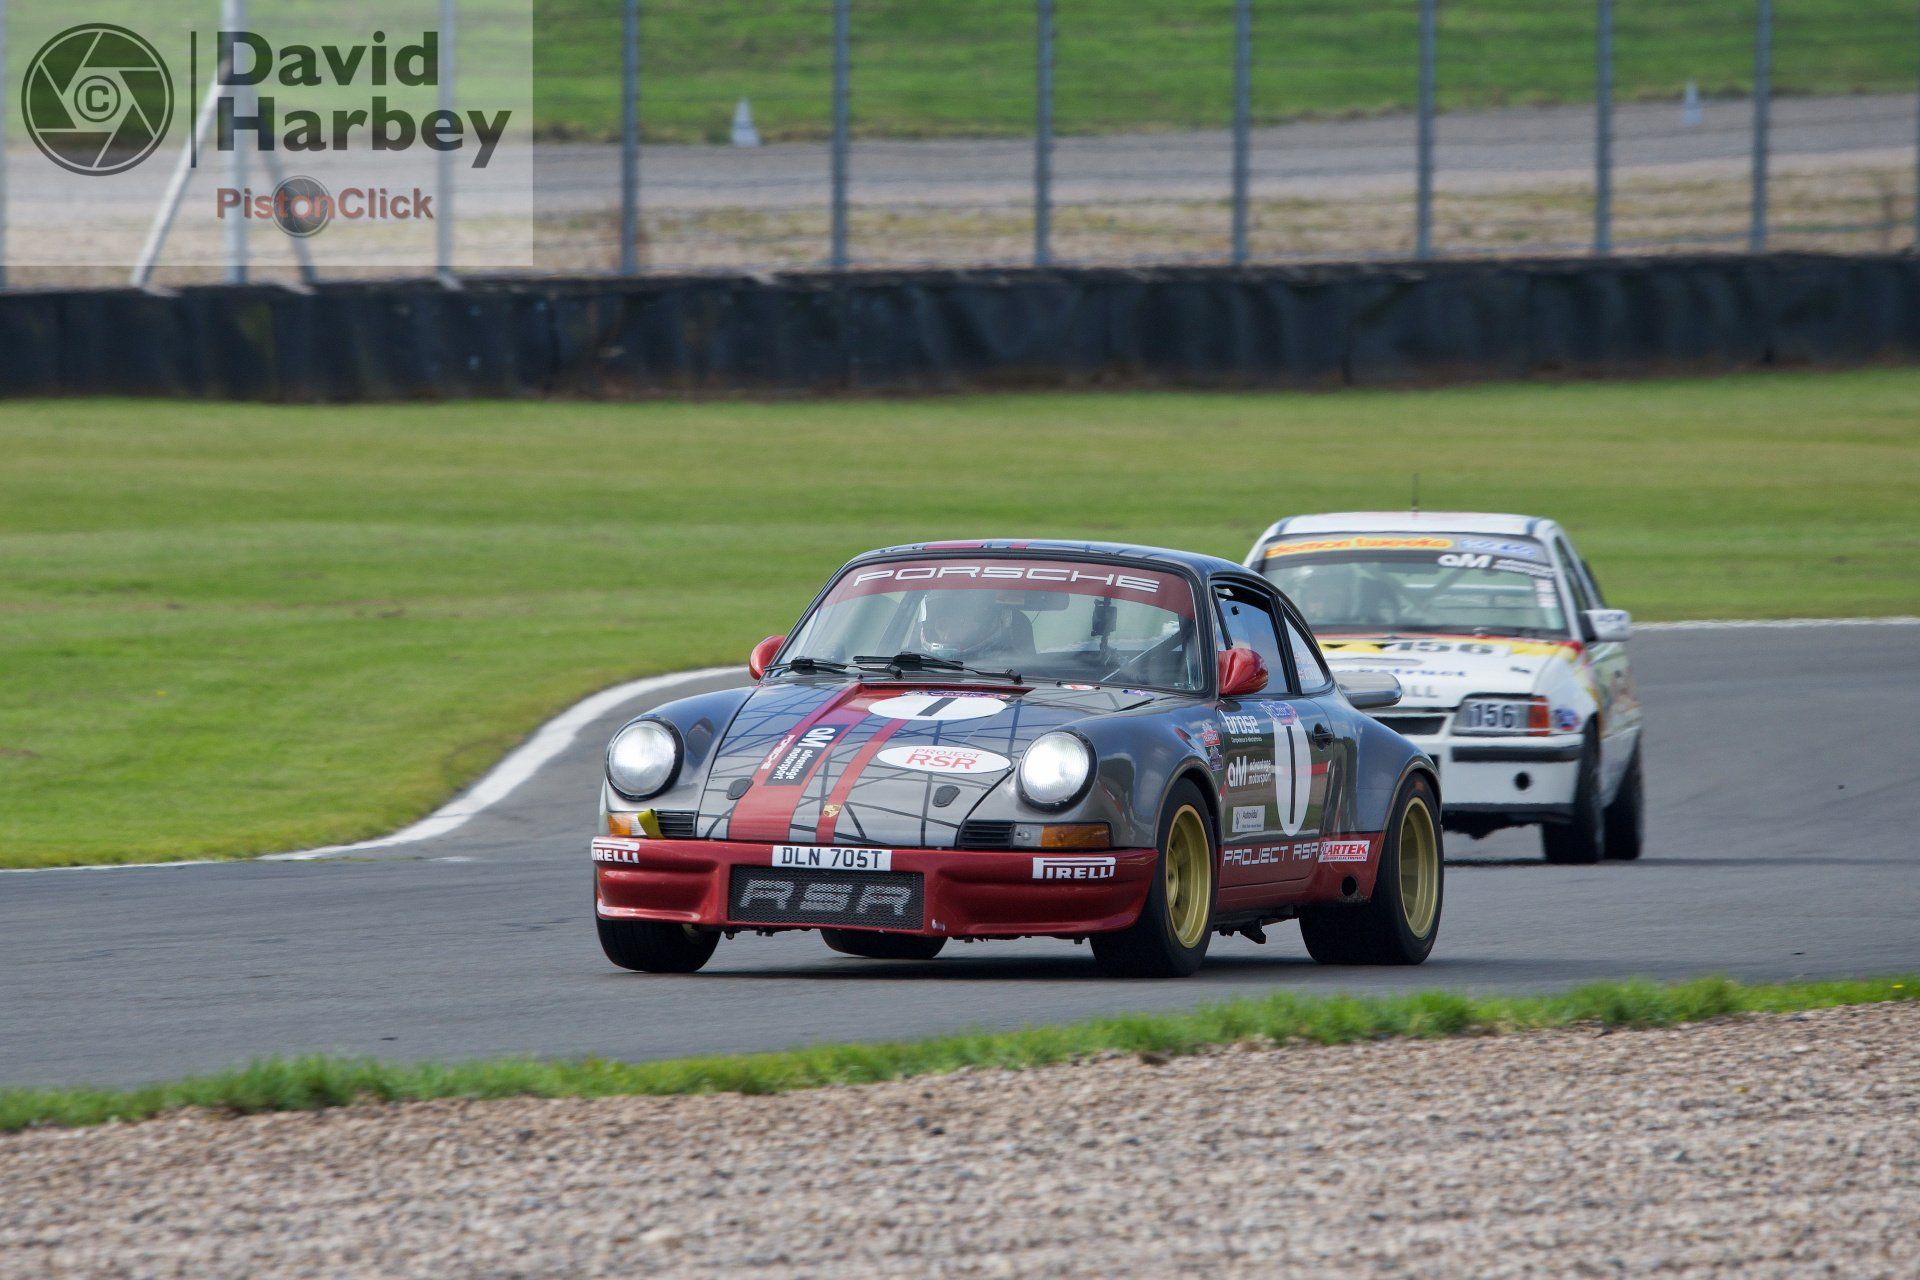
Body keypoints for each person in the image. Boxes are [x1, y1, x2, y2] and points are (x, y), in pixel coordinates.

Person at [919, 590, 1029, 661]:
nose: (947, 636)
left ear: (972, 625)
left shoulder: (1007, 662)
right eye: (941, 627)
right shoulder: (915, 659)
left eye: (956, 627)